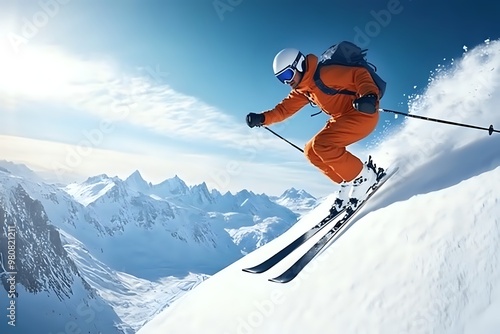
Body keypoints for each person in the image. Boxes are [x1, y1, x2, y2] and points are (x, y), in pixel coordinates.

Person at [245, 47, 382, 213]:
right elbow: (283, 110)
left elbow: (358, 74)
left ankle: (364, 177)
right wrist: (262, 118)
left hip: (363, 113)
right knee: (310, 151)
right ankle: (349, 180)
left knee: (322, 145)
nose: (287, 82)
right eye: (281, 79)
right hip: (341, 118)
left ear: (300, 65)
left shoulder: (325, 74)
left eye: (287, 75)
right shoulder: (304, 90)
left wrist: (369, 96)